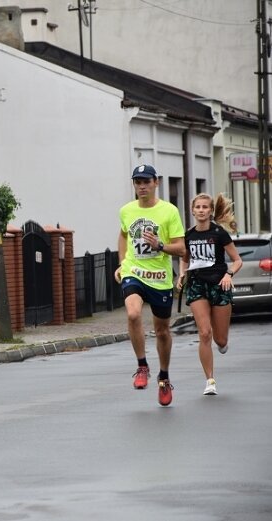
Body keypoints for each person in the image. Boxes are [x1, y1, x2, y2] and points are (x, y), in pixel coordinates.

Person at [114, 164, 185, 407]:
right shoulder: (126, 210)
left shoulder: (169, 211)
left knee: (162, 330)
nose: (142, 186)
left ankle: (163, 377)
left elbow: (182, 248)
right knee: (133, 313)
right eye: (137, 182)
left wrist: (160, 246)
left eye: (146, 181)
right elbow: (124, 234)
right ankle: (142, 365)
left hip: (160, 279)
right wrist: (122, 264)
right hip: (134, 272)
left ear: (156, 182)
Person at [177, 193, 242, 396]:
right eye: (198, 207)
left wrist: (229, 274)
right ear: (192, 210)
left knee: (220, 340)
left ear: (211, 211)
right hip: (197, 285)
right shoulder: (188, 235)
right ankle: (210, 380)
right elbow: (184, 257)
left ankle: (222, 342)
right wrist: (182, 274)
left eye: (206, 207)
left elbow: (237, 260)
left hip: (219, 285)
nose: (202, 210)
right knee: (205, 333)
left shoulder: (219, 233)